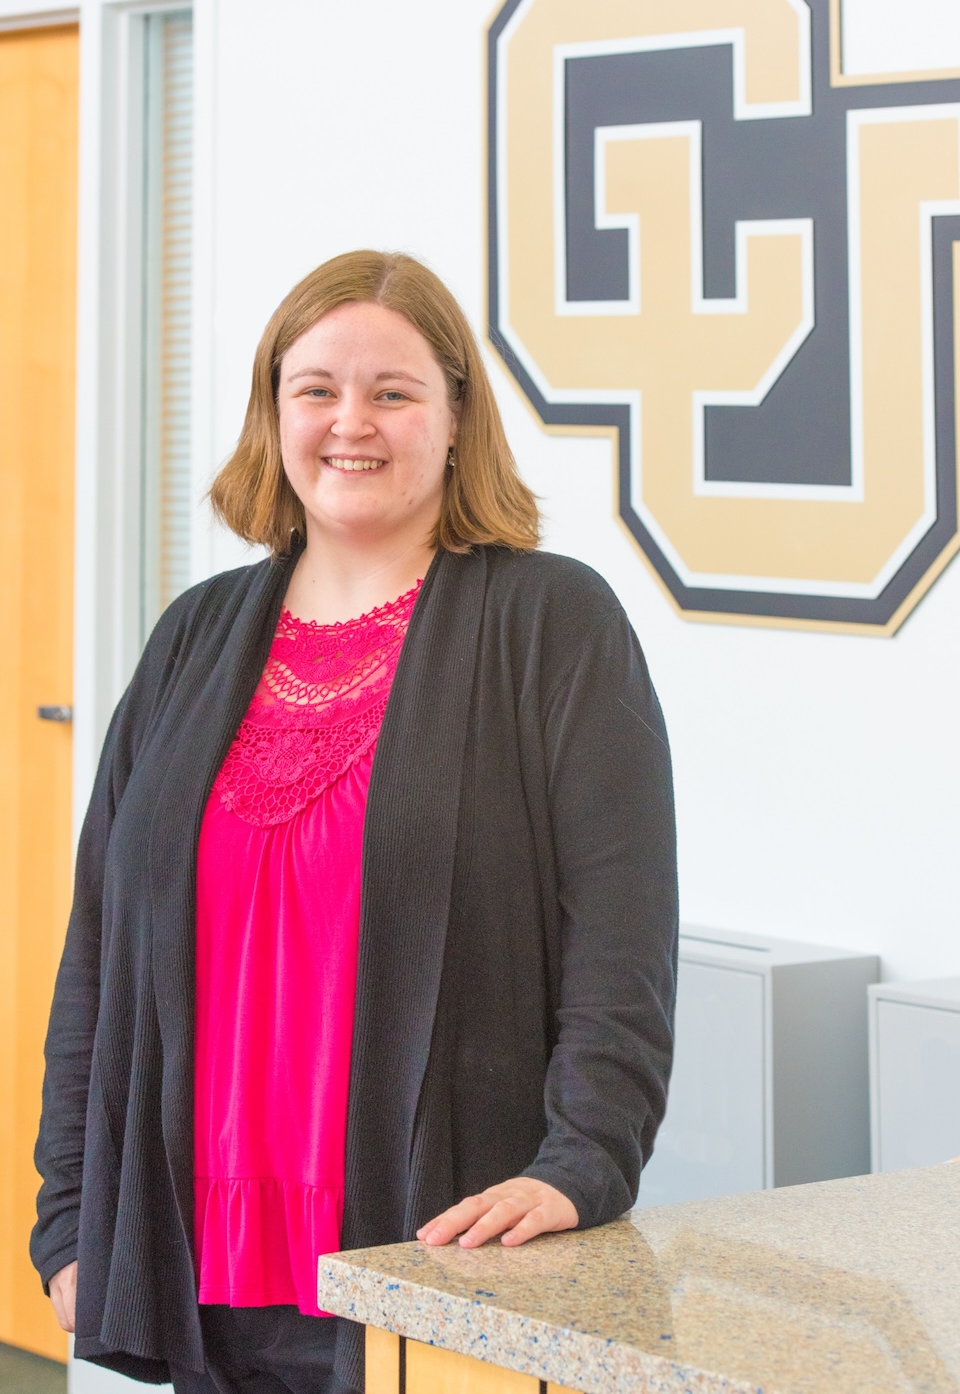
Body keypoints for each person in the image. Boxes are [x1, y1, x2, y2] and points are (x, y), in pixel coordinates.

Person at [31, 250, 678, 1393]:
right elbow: (97, 947)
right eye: (316, 387)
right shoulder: (193, 636)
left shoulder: (551, 622)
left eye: (393, 390)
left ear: (455, 416)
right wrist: (74, 1212)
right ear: (272, 409)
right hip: (206, 1263)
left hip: (440, 1253)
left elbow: (620, 943)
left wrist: (584, 1165)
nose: (351, 422)